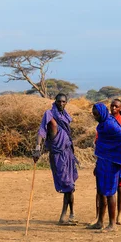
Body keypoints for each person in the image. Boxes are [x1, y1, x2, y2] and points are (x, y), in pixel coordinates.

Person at [91, 99, 121, 225]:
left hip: (112, 164)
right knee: (101, 191)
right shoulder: (101, 125)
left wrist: (118, 156)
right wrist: (97, 164)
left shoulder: (110, 124)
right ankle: (100, 222)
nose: (95, 117)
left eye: (96, 114)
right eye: (93, 114)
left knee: (111, 192)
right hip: (102, 162)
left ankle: (112, 224)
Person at [33, 93, 79, 225]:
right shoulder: (49, 114)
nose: (61, 104)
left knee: (71, 185)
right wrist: (37, 148)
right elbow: (42, 131)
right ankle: (63, 217)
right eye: (59, 102)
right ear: (55, 101)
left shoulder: (65, 116)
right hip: (57, 154)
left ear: (66, 102)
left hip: (68, 153)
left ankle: (71, 214)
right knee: (67, 184)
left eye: (64, 102)